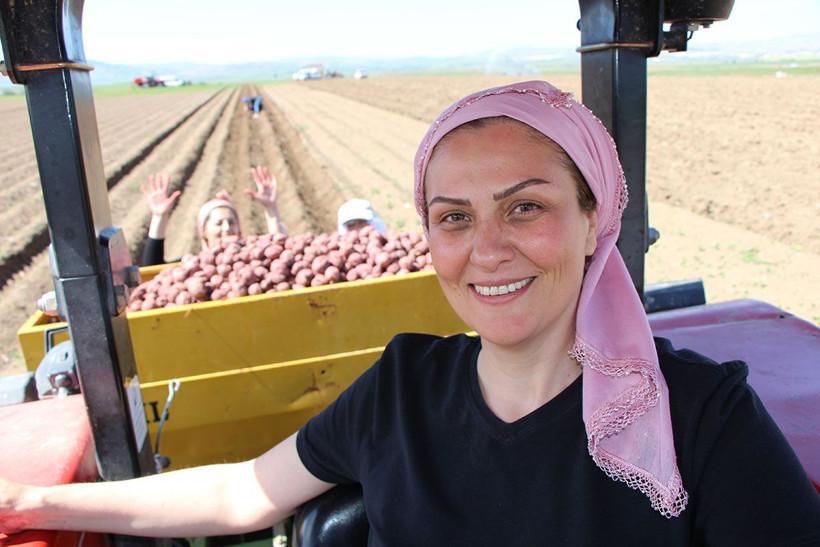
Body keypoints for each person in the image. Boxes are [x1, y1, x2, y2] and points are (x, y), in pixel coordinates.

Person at [2, 80, 819, 544]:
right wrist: (38, 503)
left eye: (525, 207)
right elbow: (241, 495)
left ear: (592, 218)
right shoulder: (403, 389)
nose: (487, 248)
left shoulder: (705, 421)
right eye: (454, 217)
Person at [140, 165, 287, 266]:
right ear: (203, 232)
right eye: (218, 223)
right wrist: (159, 217)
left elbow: (279, 254)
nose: (227, 228)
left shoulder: (252, 260)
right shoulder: (194, 266)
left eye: (231, 222)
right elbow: (152, 268)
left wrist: (271, 209)